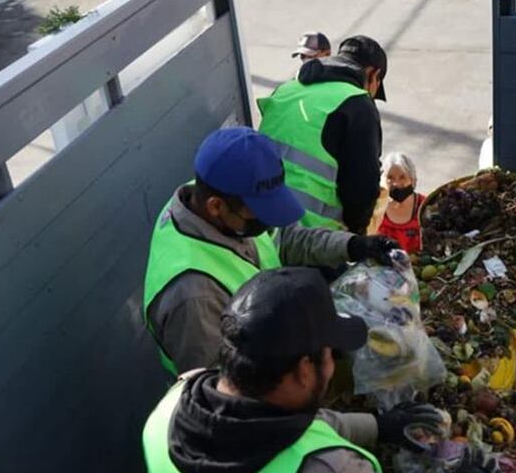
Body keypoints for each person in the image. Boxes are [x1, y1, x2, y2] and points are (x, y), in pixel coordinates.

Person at [143, 267, 501, 473]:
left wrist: (380, 427)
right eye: (330, 355)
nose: (333, 368)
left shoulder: (165, 413)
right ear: (303, 369)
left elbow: (279, 426)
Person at [143, 127, 399, 376]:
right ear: (216, 206)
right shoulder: (194, 298)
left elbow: (286, 238)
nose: (267, 222)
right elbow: (225, 398)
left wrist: (352, 245)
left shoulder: (214, 193)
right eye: (259, 213)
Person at [257, 35, 388, 234]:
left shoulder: (286, 89)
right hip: (310, 236)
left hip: (260, 223)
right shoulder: (358, 104)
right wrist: (356, 236)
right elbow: (362, 187)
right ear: (373, 74)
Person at [377, 152, 426, 254]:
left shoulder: (425, 206)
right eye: (390, 177)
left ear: (412, 180)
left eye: (402, 177)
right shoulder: (376, 208)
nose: (396, 183)